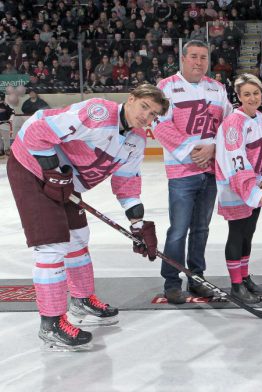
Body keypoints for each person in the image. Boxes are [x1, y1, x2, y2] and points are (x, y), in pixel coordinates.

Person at [6, 84, 168, 351]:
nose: (146, 116)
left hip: (65, 182)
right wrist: (51, 170)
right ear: (131, 99)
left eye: (152, 114)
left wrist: (138, 225)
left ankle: (81, 299)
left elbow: (126, 183)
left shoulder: (136, 140)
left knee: (78, 237)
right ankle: (52, 323)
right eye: (144, 107)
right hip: (31, 167)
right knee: (51, 246)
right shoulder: (98, 112)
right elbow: (36, 132)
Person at [153, 40, 234, 304]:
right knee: (178, 229)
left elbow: (228, 126)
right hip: (181, 172)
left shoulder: (217, 88)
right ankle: (172, 282)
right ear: (183, 58)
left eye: (203, 58)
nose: (199, 62)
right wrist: (194, 151)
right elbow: (160, 126)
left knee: (201, 228)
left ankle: (196, 278)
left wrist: (212, 148)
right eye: (194, 57)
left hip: (210, 170)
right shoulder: (165, 88)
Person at [215, 73, 262, 303]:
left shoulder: (260, 118)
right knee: (237, 234)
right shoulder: (233, 123)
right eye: (247, 94)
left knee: (248, 233)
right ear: (238, 96)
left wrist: (261, 184)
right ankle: (236, 284)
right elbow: (236, 159)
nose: (252, 98)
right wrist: (252, 187)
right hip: (237, 188)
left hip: (256, 187)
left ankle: (245, 276)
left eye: (256, 93)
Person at [0, 92, 14, 156]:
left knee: (6, 138)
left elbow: (12, 113)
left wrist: (10, 119)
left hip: (4, 123)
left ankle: (7, 149)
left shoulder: (7, 105)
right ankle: (1, 150)